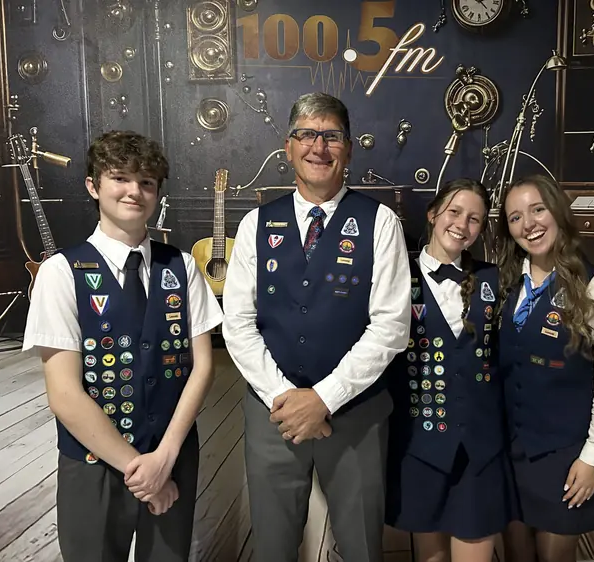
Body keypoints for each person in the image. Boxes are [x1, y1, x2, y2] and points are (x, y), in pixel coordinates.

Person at [222, 91, 411, 562]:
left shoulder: (381, 223)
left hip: (358, 415)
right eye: (306, 134)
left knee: (362, 548)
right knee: (273, 547)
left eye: (332, 136)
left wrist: (324, 399)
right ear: (288, 147)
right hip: (273, 414)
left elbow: (391, 326)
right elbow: (238, 324)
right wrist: (285, 399)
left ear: (349, 149)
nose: (318, 147)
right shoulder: (254, 224)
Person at [22, 130, 224, 562]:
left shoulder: (182, 266)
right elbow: (64, 394)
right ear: (93, 186)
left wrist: (164, 459)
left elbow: (202, 367)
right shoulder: (61, 272)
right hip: (93, 463)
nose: (134, 191)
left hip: (171, 456)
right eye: (120, 178)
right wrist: (141, 470)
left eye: (146, 182)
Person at [496, 174, 594, 562]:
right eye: (515, 217)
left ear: (558, 212)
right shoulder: (505, 284)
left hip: (565, 456)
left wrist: (593, 458)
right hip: (510, 452)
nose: (529, 224)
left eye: (538, 210)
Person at [385, 178, 516, 562]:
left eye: (475, 218)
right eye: (454, 212)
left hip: (481, 445)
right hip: (419, 444)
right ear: (433, 214)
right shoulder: (396, 277)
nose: (462, 224)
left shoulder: (496, 279)